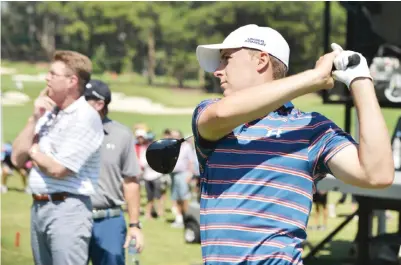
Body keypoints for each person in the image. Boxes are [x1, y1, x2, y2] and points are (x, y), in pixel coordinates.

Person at [192, 24, 394, 264]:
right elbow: (222, 115)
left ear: (261, 60)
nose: (217, 71)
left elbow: (377, 174)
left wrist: (361, 80)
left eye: (226, 59)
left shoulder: (310, 129)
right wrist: (314, 77)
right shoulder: (210, 114)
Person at [11, 50, 104, 265]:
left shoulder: (85, 117)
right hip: (39, 207)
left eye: (53, 74)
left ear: (72, 81)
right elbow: (16, 157)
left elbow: (58, 169)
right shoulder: (48, 114)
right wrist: (34, 118)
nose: (47, 78)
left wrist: (33, 151)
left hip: (67, 210)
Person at [84, 79, 144, 265]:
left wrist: (134, 225)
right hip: (74, 217)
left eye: (83, 100)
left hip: (109, 220)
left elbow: (131, 182)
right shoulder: (69, 130)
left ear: (99, 104)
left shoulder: (122, 135)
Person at [169, 129, 194, 228]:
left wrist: (190, 174)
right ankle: (179, 219)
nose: (174, 138)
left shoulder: (186, 147)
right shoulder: (170, 147)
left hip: (183, 174)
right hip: (173, 175)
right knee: (176, 197)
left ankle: (187, 219)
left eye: (176, 136)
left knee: (184, 197)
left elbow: (191, 161)